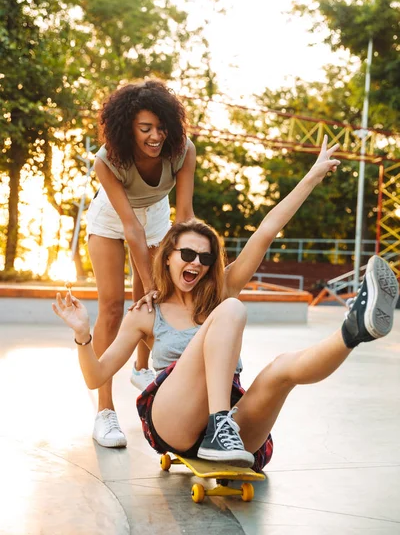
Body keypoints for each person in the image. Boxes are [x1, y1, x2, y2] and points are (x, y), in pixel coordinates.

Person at [54, 137, 399, 469]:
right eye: (187, 254)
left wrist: (312, 176)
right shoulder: (148, 311)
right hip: (172, 419)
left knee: (282, 369)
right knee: (231, 308)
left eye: (205, 258)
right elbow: (96, 375)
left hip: (233, 420)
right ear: (168, 256)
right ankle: (219, 425)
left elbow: (267, 230)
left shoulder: (221, 288)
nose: (196, 264)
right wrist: (83, 335)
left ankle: (353, 330)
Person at [85, 79, 196, 448]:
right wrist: (151, 286)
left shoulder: (182, 152)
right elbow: (130, 228)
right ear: (126, 128)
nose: (155, 136)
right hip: (112, 219)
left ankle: (140, 368)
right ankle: (104, 411)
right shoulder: (107, 160)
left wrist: (184, 268)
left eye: (160, 127)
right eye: (145, 129)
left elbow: (184, 216)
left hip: (157, 215)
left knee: (152, 302)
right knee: (115, 307)